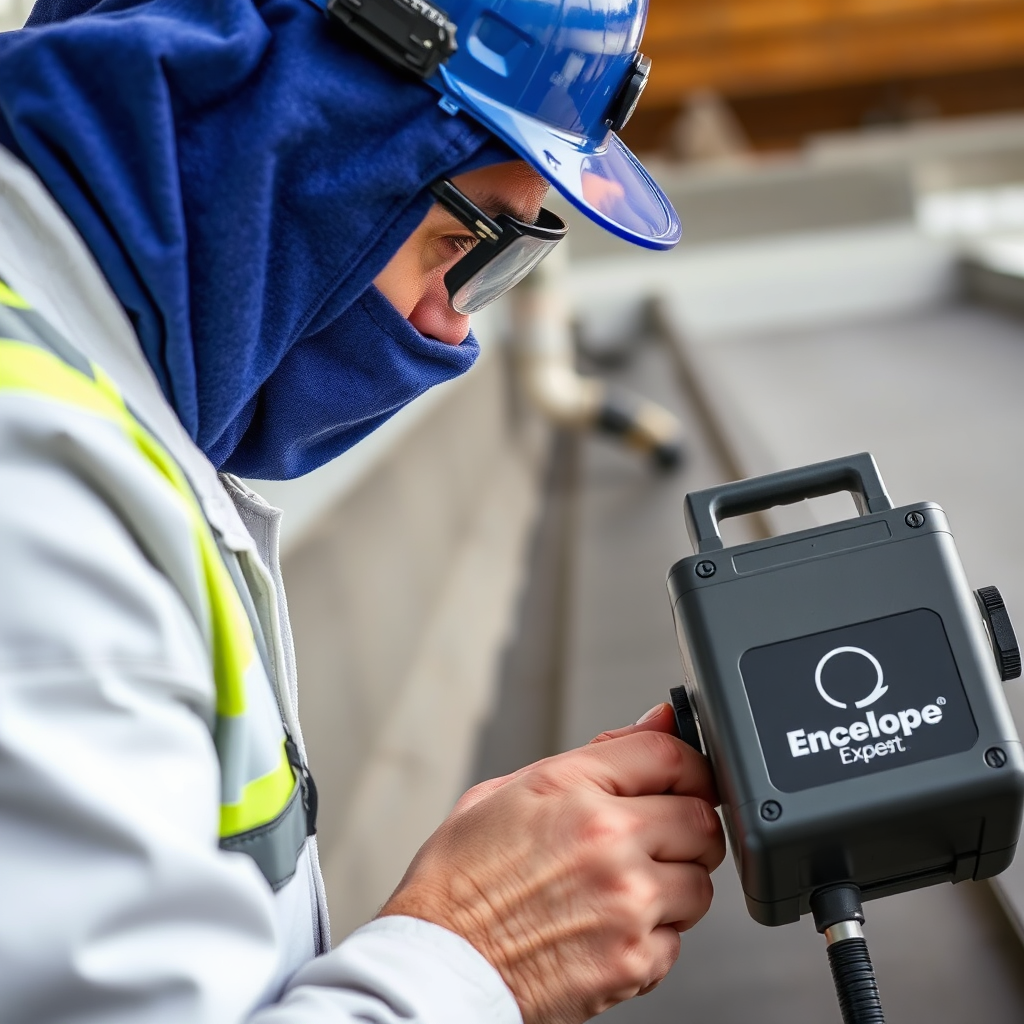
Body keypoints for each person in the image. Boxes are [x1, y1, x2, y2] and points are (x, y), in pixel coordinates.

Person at [0, 1, 725, 1022]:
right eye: (457, 240)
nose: (448, 329)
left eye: (510, 262)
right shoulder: (31, 493)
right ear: (290, 122)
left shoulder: (94, 398)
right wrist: (478, 950)